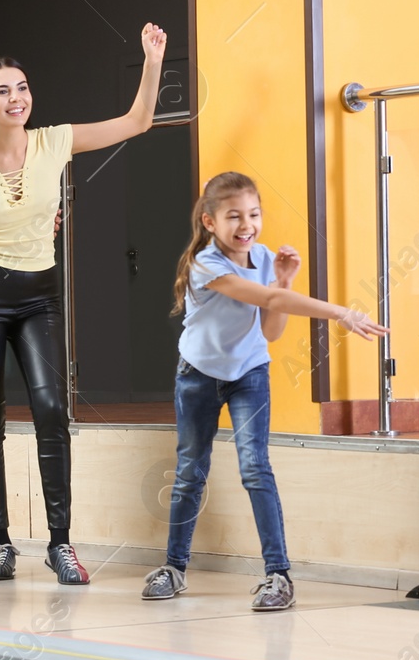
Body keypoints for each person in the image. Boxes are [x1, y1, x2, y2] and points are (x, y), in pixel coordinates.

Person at [0, 22, 168, 585]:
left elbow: (136, 122)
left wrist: (152, 60)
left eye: (21, 87)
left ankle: (60, 543)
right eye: (2, 90)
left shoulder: (54, 140)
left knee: (50, 410)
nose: (16, 97)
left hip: (39, 293)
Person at [142, 172, 387, 611]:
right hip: (197, 375)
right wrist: (339, 313)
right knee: (189, 472)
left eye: (253, 214)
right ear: (210, 222)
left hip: (249, 374)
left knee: (256, 467)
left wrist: (284, 281)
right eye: (234, 216)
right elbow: (270, 304)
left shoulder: (264, 257)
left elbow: (271, 330)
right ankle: (174, 568)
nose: (246, 224)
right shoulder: (206, 264)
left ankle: (278, 575)